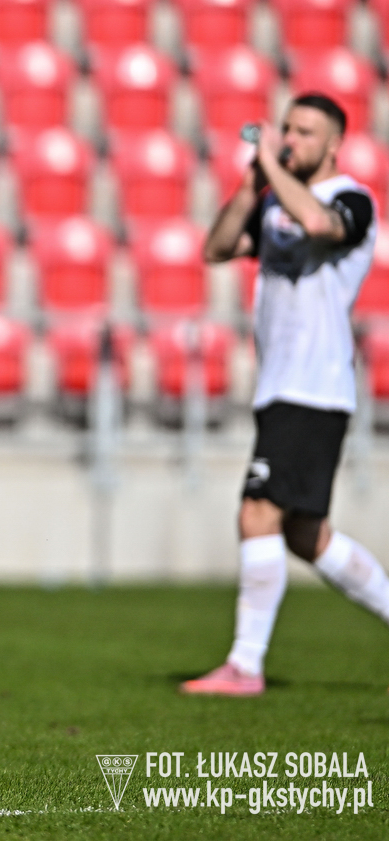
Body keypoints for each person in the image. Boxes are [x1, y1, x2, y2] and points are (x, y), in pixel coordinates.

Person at [184, 93, 389, 696]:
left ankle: (244, 666)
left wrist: (272, 165)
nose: (292, 139)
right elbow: (217, 248)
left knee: (258, 511)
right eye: (287, 129)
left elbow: (321, 225)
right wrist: (254, 182)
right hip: (282, 386)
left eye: (305, 132)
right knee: (306, 536)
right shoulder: (273, 200)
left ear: (334, 144)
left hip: (314, 387)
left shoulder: (351, 199)